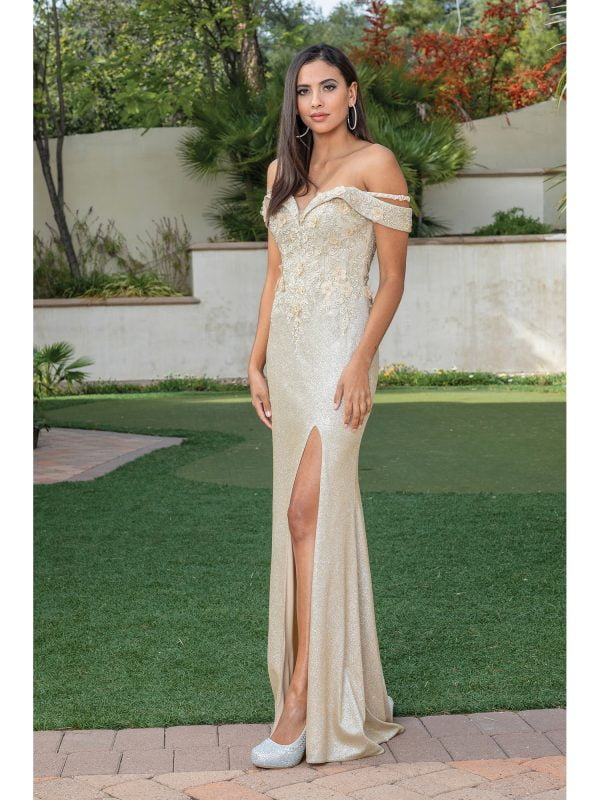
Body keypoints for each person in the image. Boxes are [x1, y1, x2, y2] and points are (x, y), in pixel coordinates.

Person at [247, 42, 412, 769]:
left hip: (340, 358)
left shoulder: (376, 163)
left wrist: (360, 362)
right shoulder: (281, 172)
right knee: (299, 518)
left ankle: (302, 699)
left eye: (327, 87)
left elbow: (392, 281)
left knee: (304, 511)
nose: (315, 101)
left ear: (351, 93)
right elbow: (275, 275)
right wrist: (254, 361)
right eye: (303, 90)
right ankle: (325, 688)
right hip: (288, 358)